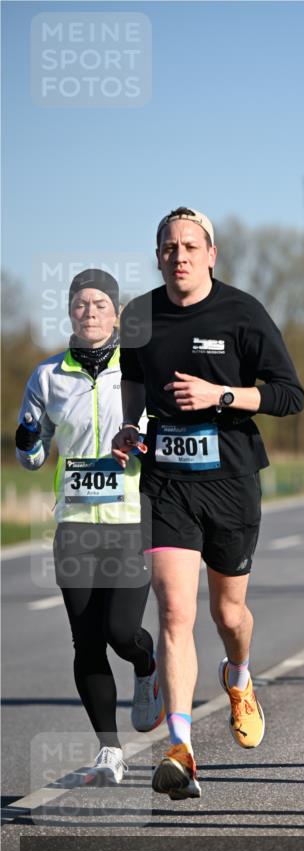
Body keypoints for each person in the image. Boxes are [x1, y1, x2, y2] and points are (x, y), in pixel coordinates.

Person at [112, 207, 304, 801]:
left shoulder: (242, 312)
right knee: (174, 613)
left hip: (231, 481)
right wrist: (128, 425)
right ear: (158, 254)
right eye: (168, 246)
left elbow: (289, 396)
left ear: (211, 253)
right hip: (166, 481)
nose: (180, 256)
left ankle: (239, 677)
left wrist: (220, 394)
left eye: (190, 245)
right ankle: (181, 748)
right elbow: (135, 380)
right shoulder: (139, 314)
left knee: (228, 616)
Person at [15, 269, 163, 786]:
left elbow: (162, 436)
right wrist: (29, 437)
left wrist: (147, 442)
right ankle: (109, 750)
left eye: (101, 303)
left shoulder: (141, 370)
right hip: (75, 524)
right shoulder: (48, 376)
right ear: (71, 312)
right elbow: (31, 458)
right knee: (86, 642)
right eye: (81, 304)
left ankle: (148, 666)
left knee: (121, 632)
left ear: (116, 313)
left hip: (129, 521)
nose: (91, 311)